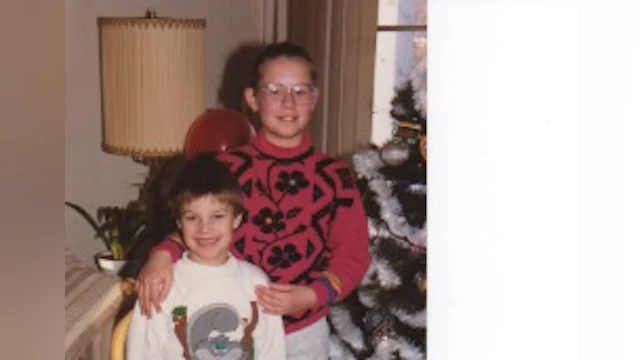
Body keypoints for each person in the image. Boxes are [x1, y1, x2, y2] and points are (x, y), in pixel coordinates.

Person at [137, 41, 371, 359]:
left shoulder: (335, 176)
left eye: (301, 91)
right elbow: (200, 226)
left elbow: (353, 254)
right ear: (252, 99)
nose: (288, 102)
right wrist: (161, 256)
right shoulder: (226, 169)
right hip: (232, 322)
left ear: (314, 99)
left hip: (303, 331)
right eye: (274, 90)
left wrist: (312, 295)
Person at [127, 155, 286, 359]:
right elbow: (141, 351)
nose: (205, 228)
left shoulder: (256, 282)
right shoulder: (162, 284)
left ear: (237, 219)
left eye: (217, 216)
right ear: (178, 222)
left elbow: (273, 352)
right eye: (192, 217)